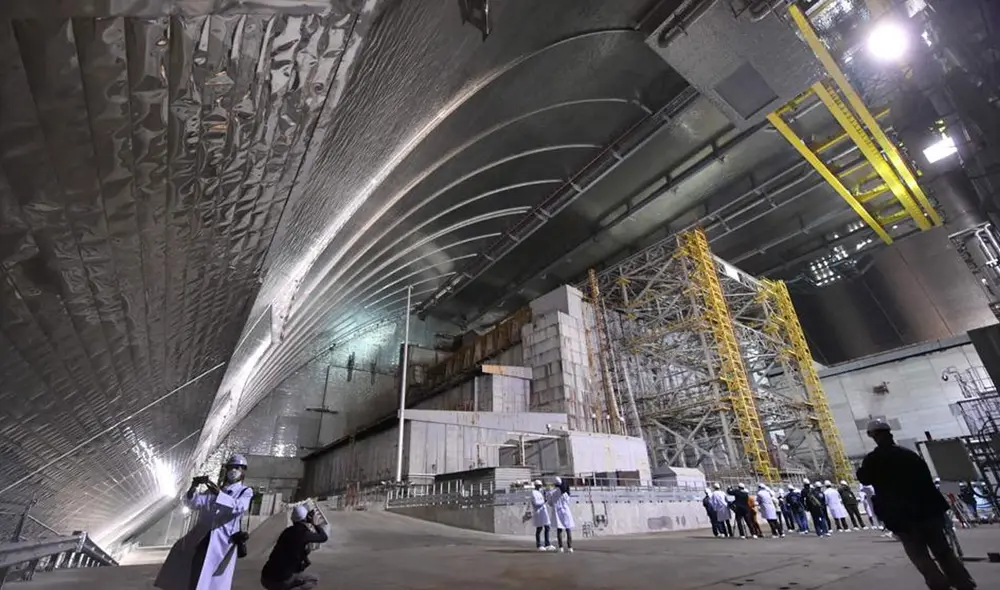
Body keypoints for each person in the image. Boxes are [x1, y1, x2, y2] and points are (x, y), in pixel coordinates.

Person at [857, 419, 976, 590]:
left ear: (873, 436)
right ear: (889, 433)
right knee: (943, 551)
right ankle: (964, 583)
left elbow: (864, 478)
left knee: (919, 555)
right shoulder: (910, 454)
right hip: (928, 512)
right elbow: (926, 481)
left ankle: (939, 585)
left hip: (903, 517)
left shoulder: (874, 459)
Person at [156, 454, 254, 590]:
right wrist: (193, 488)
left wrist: (219, 494)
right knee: (185, 558)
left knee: (212, 576)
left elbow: (239, 506)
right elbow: (195, 502)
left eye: (237, 468)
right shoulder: (212, 491)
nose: (233, 471)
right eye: (231, 467)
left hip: (222, 540)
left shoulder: (245, 491)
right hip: (203, 534)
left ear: (243, 471)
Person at [260, 505, 329, 590]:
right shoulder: (304, 534)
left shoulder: (286, 532)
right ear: (305, 519)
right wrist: (314, 523)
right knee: (313, 579)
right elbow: (323, 537)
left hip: (265, 578)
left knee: (294, 573)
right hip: (280, 580)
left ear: (293, 519)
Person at [549, 477, 575, 553]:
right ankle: (570, 547)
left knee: (559, 529)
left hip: (557, 512)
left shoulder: (551, 492)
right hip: (566, 511)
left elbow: (550, 503)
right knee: (568, 529)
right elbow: (568, 501)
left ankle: (561, 547)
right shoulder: (565, 493)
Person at [530, 480, 555, 551]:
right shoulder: (533, 493)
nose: (540, 487)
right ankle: (539, 545)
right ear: (536, 486)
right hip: (538, 513)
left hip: (543, 513)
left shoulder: (540, 492)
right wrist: (544, 501)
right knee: (539, 529)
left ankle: (547, 544)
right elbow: (535, 503)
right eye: (539, 486)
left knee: (547, 527)